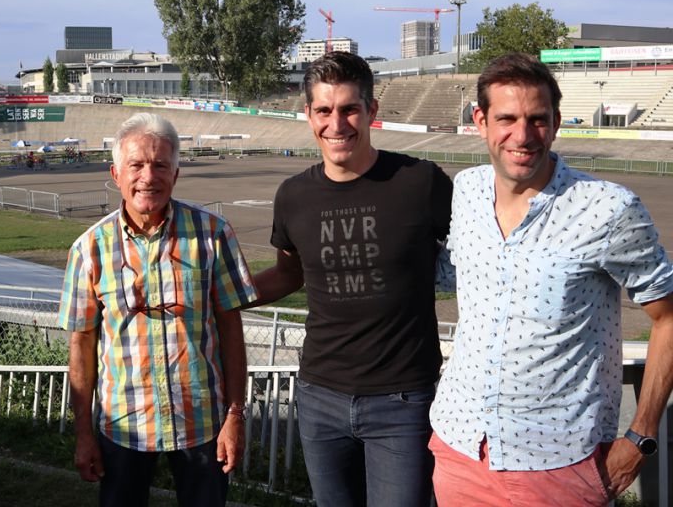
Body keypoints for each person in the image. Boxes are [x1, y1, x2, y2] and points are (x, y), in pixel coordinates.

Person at [430, 52, 673, 506]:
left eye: (537, 120)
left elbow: (669, 317)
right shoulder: (466, 190)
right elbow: (455, 274)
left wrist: (640, 436)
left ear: (556, 122)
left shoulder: (607, 209)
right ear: (480, 120)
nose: (522, 136)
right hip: (458, 448)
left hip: (559, 464)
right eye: (506, 118)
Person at [251, 51, 453, 506]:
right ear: (308, 115)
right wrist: (219, 297)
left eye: (349, 109)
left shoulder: (421, 183)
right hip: (320, 395)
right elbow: (288, 274)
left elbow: (481, 254)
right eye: (323, 110)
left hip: (403, 401)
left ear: (371, 111)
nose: (336, 123)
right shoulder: (294, 196)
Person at [58, 112, 257, 507]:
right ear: (116, 174)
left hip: (201, 422)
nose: (148, 176)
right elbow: (81, 346)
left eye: (160, 165)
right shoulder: (89, 249)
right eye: (136, 165)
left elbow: (232, 330)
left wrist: (235, 416)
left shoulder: (214, 234)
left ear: (176, 174)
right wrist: (84, 433)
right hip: (123, 426)